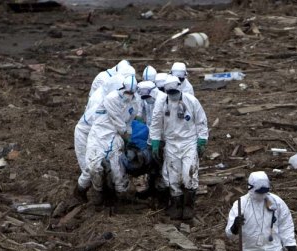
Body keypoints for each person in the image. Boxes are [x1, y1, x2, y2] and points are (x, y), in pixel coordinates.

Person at [149, 76, 207, 220]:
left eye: (175, 91)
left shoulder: (191, 101)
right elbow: (155, 123)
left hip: (189, 142)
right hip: (171, 143)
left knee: (189, 174)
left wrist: (201, 140)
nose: (173, 94)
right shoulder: (161, 103)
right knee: (173, 177)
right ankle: (177, 204)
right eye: (170, 92)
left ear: (180, 87)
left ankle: (188, 205)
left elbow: (201, 121)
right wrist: (155, 142)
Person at [79, 75, 138, 205]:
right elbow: (118, 121)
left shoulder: (134, 103)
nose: (129, 95)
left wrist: (131, 134)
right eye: (127, 92)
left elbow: (130, 121)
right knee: (94, 167)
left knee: (117, 168)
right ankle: (92, 192)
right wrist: (127, 135)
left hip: (115, 137)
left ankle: (120, 195)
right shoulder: (111, 99)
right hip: (99, 135)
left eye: (132, 93)